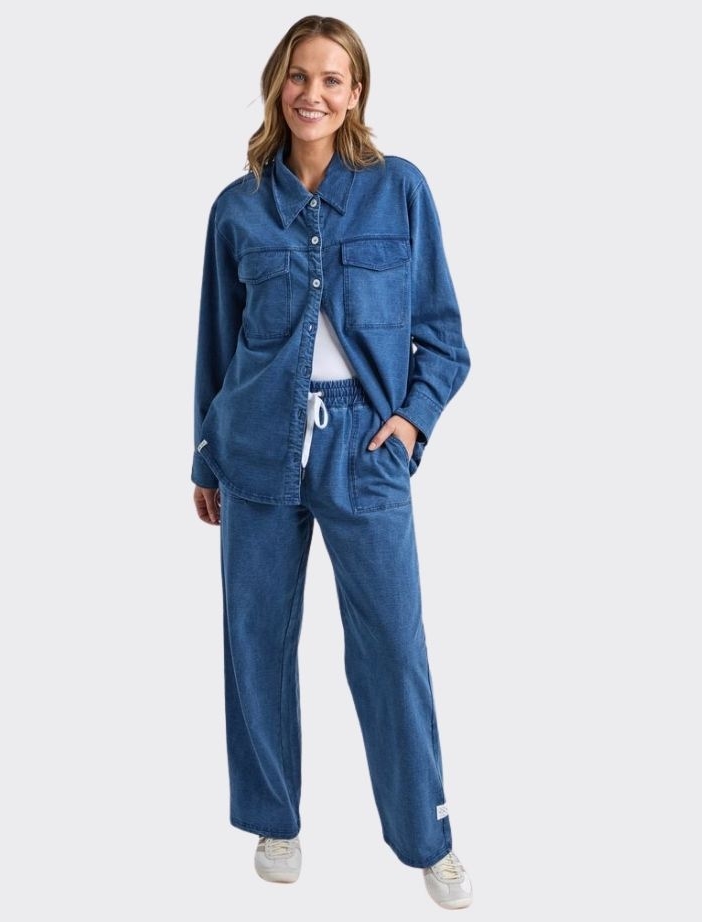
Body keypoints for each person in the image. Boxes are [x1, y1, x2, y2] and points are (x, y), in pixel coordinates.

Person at [191, 15, 472, 911]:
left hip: (366, 445)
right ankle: (274, 818)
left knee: (392, 645)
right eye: (299, 76)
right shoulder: (237, 208)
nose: (312, 93)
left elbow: (445, 339)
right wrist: (204, 456)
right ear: (278, 84)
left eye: (332, 79)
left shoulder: (400, 189)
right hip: (253, 447)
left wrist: (412, 423)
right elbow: (216, 344)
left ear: (355, 94)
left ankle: (427, 836)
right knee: (256, 639)